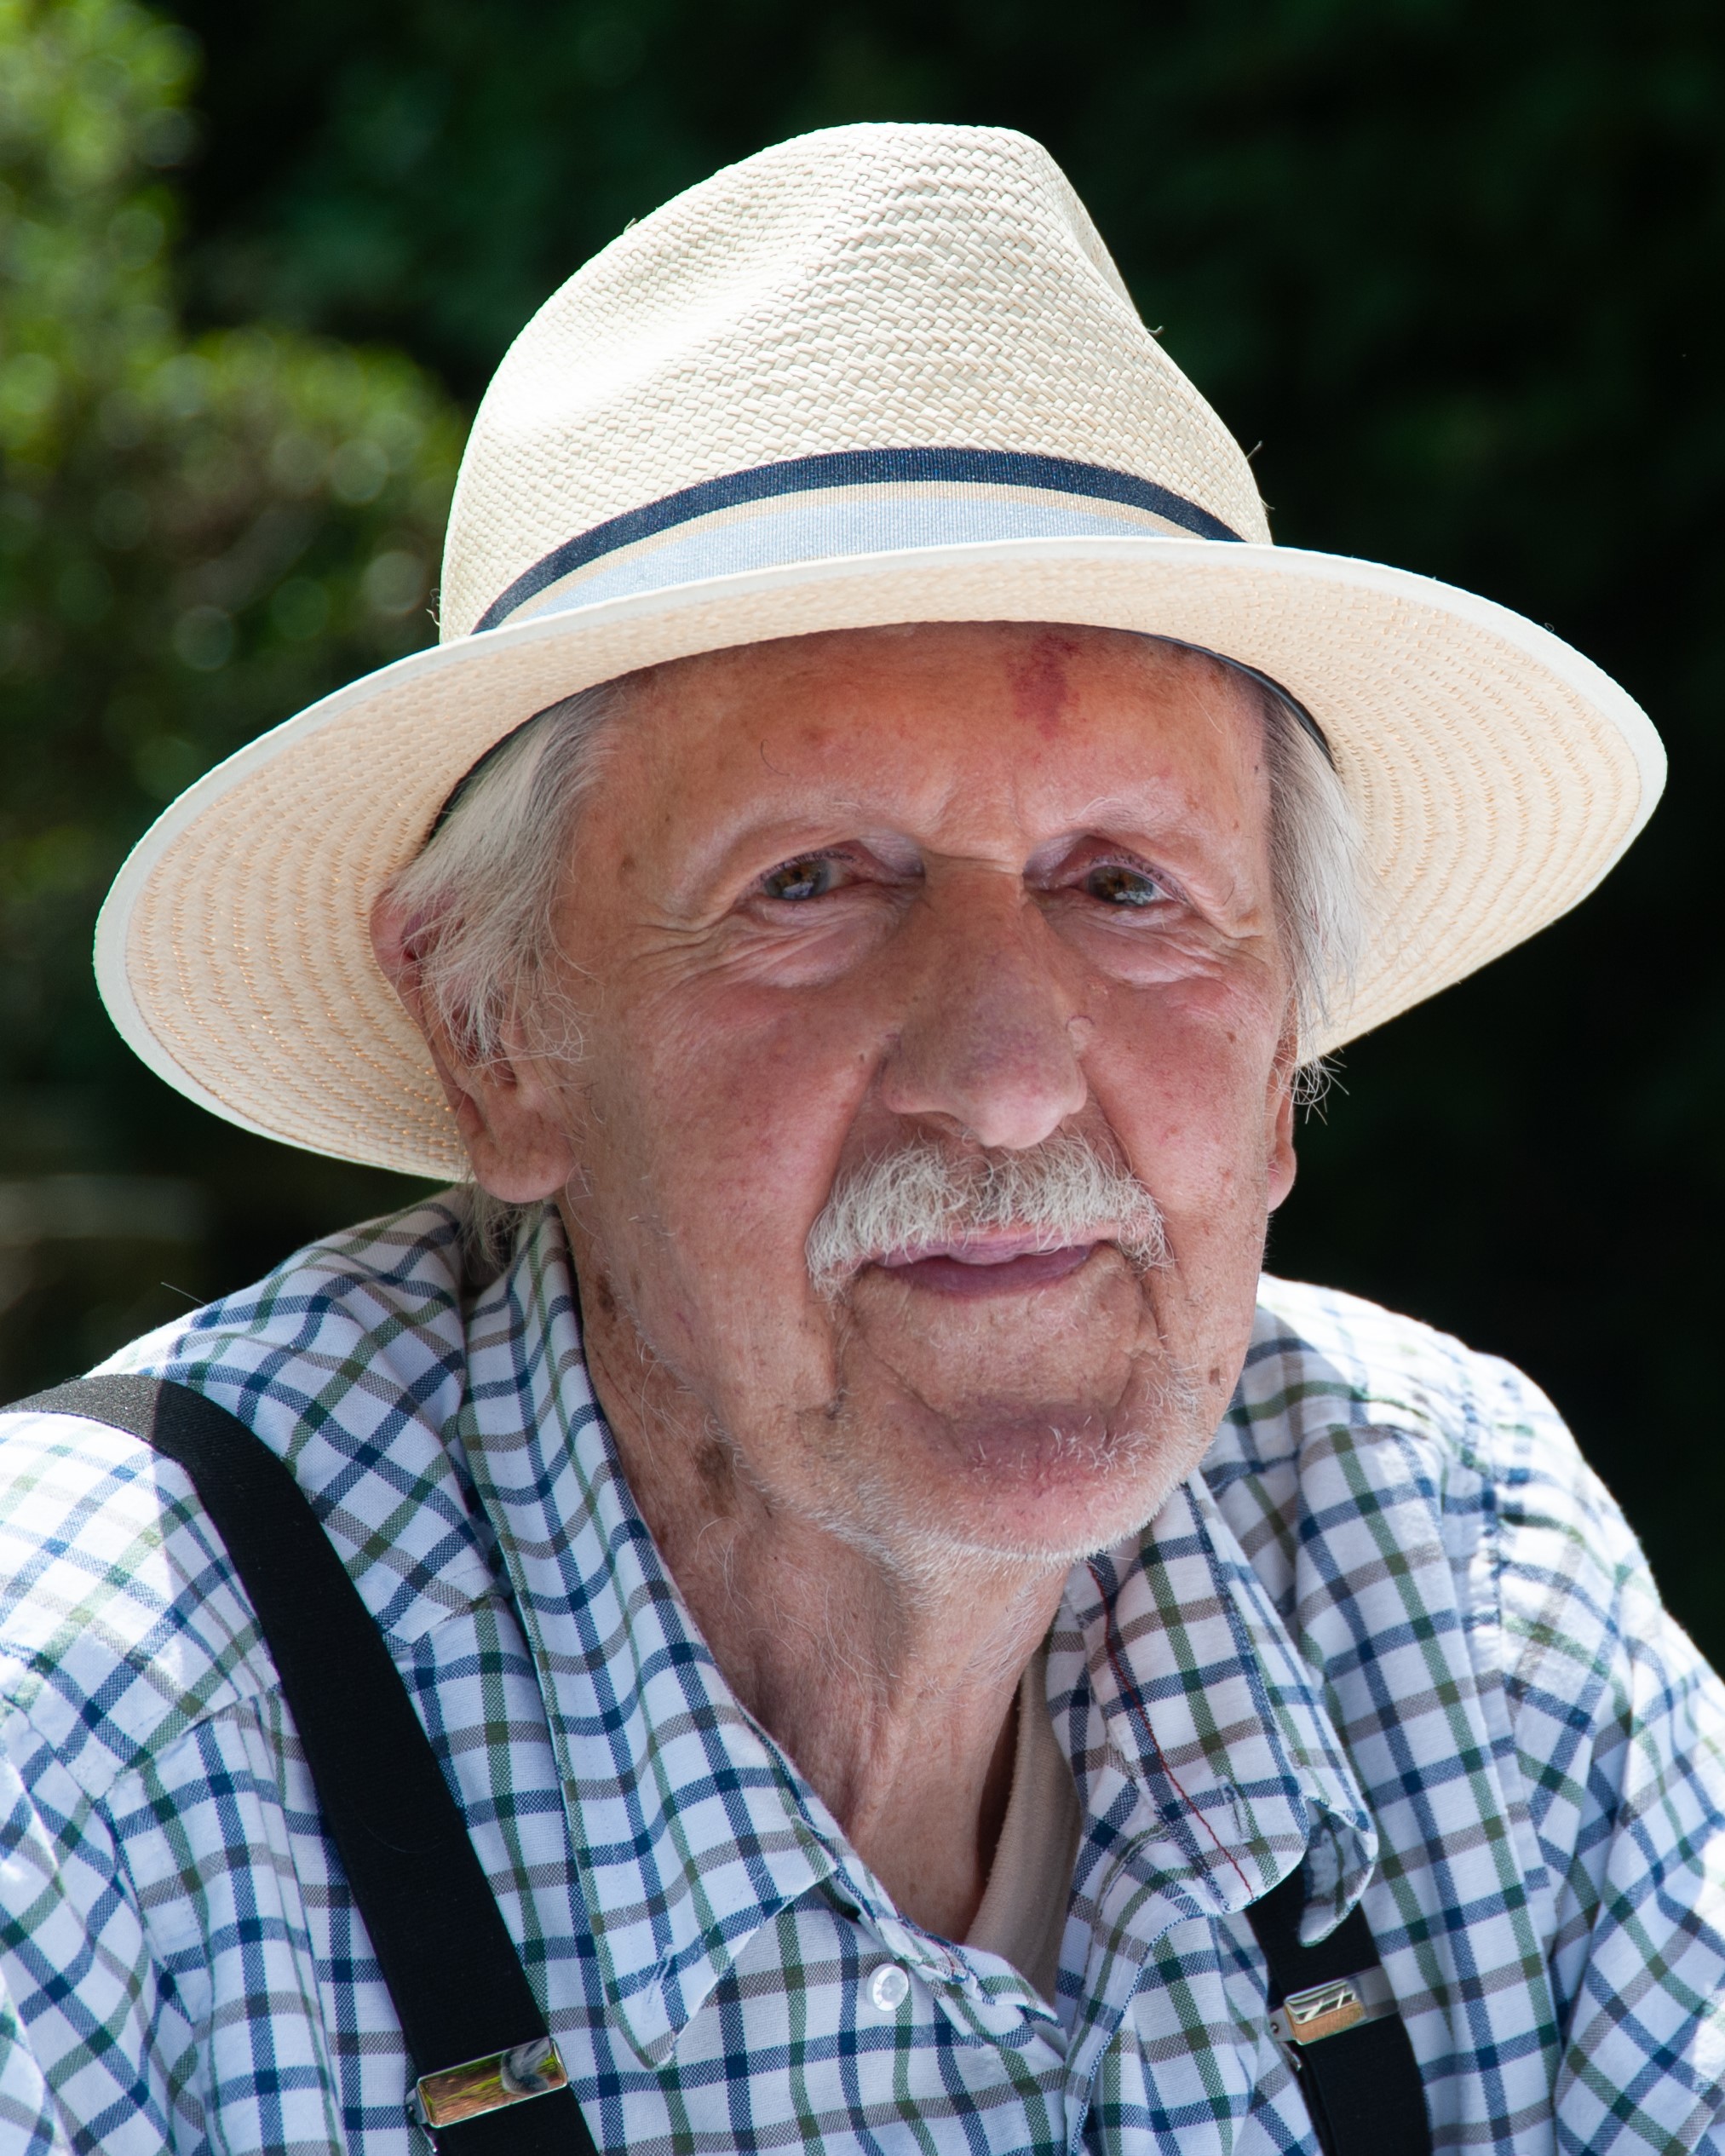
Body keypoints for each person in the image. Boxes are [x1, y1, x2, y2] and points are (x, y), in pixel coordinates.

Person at [0, 122, 1718, 2156]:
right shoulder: (86, 1732)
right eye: (812, 884)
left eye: (1124, 889)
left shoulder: (1459, 1577)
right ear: (496, 1037)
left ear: (1278, 1070)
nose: (1005, 1080)